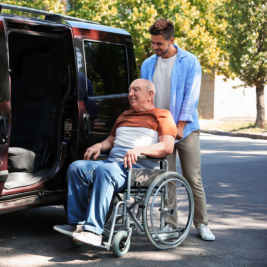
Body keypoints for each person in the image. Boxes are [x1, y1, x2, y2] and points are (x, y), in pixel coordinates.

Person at [54, 78, 177, 246]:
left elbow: (167, 147)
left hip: (139, 171)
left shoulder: (162, 115)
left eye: (136, 90)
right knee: (76, 167)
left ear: (150, 94)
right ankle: (77, 224)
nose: (130, 94)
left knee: (105, 171)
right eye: (130, 90)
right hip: (114, 166)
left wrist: (140, 149)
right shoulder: (124, 115)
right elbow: (111, 141)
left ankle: (93, 231)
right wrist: (99, 145)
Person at [141, 19, 215, 241]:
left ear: (172, 40)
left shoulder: (189, 61)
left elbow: (191, 98)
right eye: (153, 43)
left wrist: (180, 127)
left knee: (193, 178)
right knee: (167, 178)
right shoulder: (147, 64)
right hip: (161, 131)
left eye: (159, 44)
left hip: (186, 129)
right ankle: (169, 224)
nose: (155, 47)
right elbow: (146, 99)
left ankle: (202, 224)